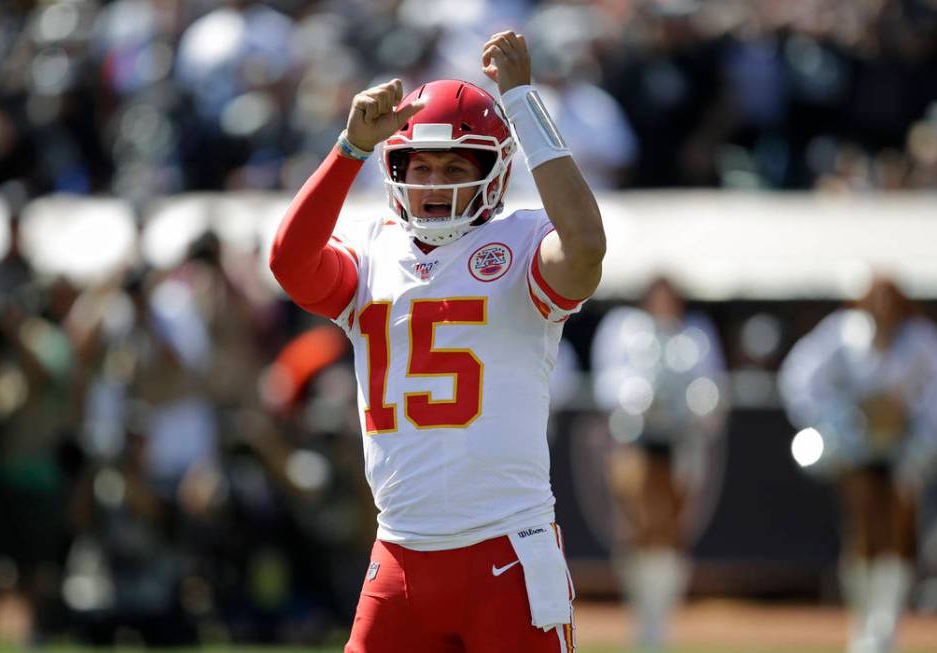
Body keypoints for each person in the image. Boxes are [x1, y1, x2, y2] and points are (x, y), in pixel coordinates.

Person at [268, 30, 604, 653]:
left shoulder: (524, 242)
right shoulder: (373, 250)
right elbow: (289, 262)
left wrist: (524, 102)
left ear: (494, 174)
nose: (435, 182)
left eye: (455, 167)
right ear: (396, 170)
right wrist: (348, 149)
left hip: (505, 547)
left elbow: (584, 247)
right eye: (419, 166)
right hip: (399, 550)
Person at [779, 275, 937, 653]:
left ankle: (885, 627)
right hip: (857, 449)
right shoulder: (842, 333)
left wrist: (908, 419)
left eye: (890, 298)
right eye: (876, 298)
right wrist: (843, 419)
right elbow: (799, 378)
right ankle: (863, 626)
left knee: (899, 532)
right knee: (863, 531)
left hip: (906, 449)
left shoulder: (919, 340)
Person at [590, 276, 728, 650]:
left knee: (671, 530)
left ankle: (661, 620)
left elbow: (711, 388)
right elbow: (607, 381)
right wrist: (636, 397)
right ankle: (643, 620)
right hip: (635, 441)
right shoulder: (622, 329)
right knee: (638, 527)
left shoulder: (696, 335)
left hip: (680, 443)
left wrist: (694, 408)